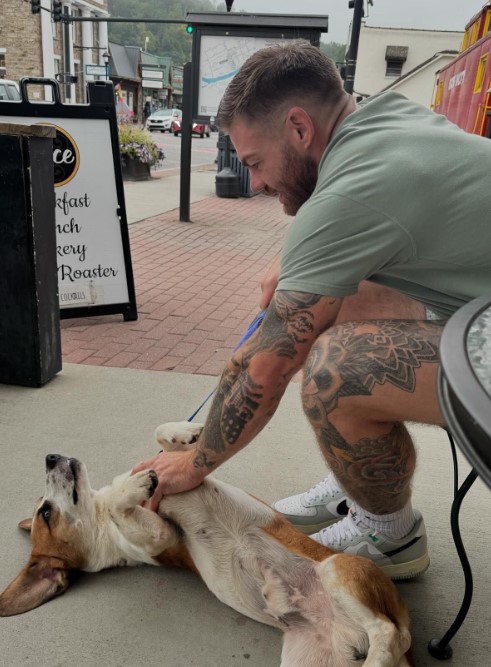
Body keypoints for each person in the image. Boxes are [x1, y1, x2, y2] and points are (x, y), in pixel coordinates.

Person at [133, 40, 491, 579]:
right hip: (478, 309)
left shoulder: (350, 192)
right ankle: (358, 476)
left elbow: (267, 363)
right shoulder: (386, 119)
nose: (255, 182)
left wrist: (195, 461)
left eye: (255, 161)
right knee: (339, 302)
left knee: (334, 368)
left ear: (299, 128)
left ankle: (391, 537)